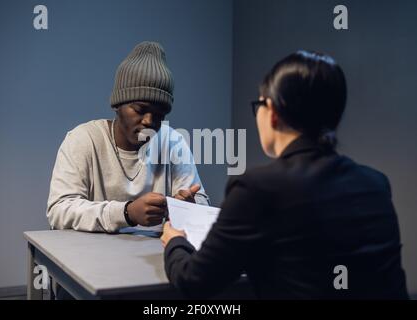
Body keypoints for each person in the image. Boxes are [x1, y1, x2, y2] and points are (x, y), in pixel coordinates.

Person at [161, 50, 409, 299]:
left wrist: (175, 242)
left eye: (258, 105)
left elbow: (194, 282)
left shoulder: (256, 188)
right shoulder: (376, 184)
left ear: (272, 111)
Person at [47, 41, 209, 234]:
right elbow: (59, 210)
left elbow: (201, 204)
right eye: (140, 110)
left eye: (159, 115)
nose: (150, 121)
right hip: (90, 259)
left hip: (157, 258)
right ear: (118, 104)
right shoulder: (83, 139)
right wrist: (127, 213)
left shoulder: (173, 143)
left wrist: (187, 208)